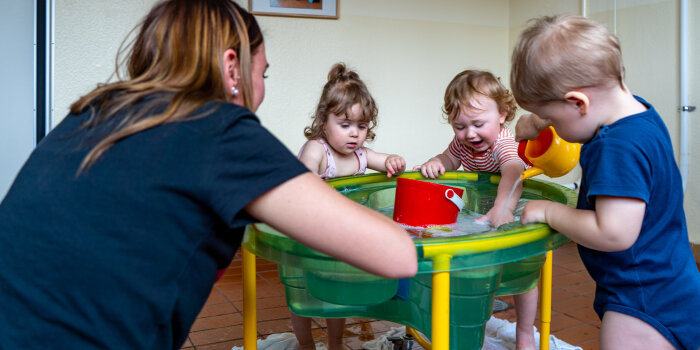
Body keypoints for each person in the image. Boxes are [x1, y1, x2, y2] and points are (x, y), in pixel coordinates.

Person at [0, 1, 417, 349]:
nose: (263, 87)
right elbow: (396, 255)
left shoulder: (95, 111)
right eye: (263, 73)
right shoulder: (217, 130)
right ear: (232, 69)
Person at [511, 14, 700, 350]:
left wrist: (548, 211)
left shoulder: (617, 147)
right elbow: (578, 107)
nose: (551, 126)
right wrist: (538, 121)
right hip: (670, 282)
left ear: (578, 103)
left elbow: (614, 232)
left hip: (642, 304)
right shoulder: (638, 114)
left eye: (553, 120)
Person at [413, 70, 538, 350]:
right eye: (459, 126)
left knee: (523, 276)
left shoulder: (504, 144)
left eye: (479, 124)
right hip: (484, 214)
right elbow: (450, 157)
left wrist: (502, 207)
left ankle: (526, 332)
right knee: (477, 268)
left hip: (513, 212)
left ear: (503, 114)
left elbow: (513, 172)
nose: (470, 134)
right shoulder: (463, 143)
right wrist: (437, 162)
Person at [293, 62, 406, 350]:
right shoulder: (317, 149)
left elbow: (386, 160)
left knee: (336, 292)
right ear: (324, 120)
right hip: (309, 233)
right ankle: (304, 343)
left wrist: (394, 161)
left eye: (362, 126)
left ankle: (335, 343)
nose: (354, 134)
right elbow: (302, 174)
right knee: (301, 290)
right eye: (345, 125)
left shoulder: (362, 155)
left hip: (340, 236)